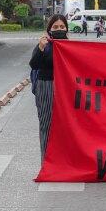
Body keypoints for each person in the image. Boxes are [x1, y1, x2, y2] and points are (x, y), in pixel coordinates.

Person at [30, 14, 70, 160]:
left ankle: (65, 162)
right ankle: (47, 162)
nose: (59, 29)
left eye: (61, 26)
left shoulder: (73, 46)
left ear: (66, 28)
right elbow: (34, 64)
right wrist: (40, 48)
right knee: (46, 125)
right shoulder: (45, 45)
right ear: (49, 29)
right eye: (55, 27)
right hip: (46, 86)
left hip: (67, 89)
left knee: (68, 127)